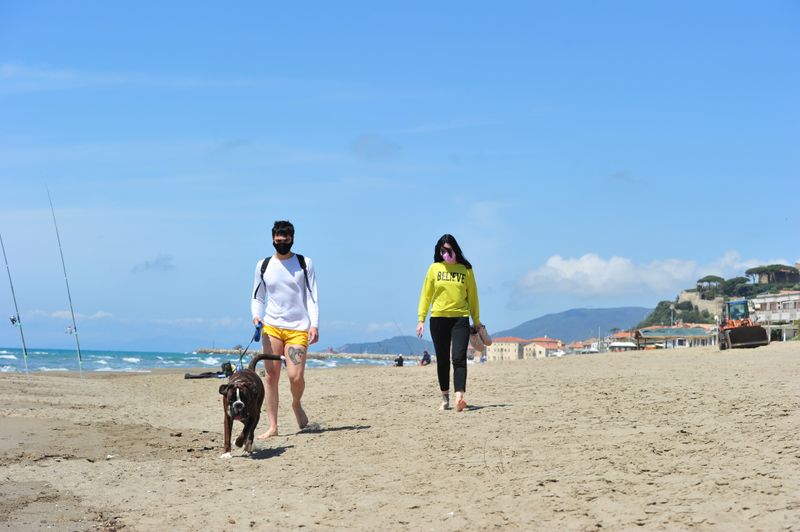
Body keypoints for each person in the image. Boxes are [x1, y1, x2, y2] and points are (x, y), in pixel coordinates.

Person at [251, 220, 319, 438]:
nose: (282, 243)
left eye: (286, 239)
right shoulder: (263, 265)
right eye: (278, 240)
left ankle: (296, 404)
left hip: (298, 328)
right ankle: (273, 426)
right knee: (271, 377)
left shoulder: (304, 263)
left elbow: (312, 296)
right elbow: (257, 296)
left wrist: (314, 324)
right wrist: (256, 316)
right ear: (273, 238)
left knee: (295, 377)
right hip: (271, 326)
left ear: (292, 238)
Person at [416, 234, 480, 412]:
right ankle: (445, 397)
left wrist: (477, 320)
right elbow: (426, 295)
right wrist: (421, 319)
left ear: (455, 250)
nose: (445, 253)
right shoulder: (434, 269)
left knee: (459, 358)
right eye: (442, 250)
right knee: (443, 360)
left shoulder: (466, 269)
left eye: (448, 250)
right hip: (438, 319)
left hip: (460, 319)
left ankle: (460, 397)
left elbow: (473, 296)